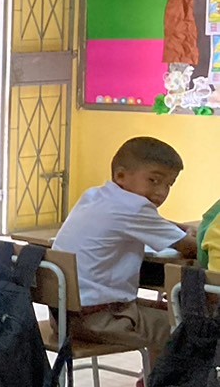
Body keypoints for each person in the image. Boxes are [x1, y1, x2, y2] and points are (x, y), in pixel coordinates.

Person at [52, 137, 198, 372]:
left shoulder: (94, 196)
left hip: (63, 318)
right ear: (120, 176)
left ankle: (153, 380)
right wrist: (191, 234)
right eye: (154, 180)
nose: (161, 192)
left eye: (169, 185)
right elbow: (191, 248)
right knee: (188, 325)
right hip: (100, 320)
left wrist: (180, 229)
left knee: (168, 312)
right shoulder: (135, 208)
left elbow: (155, 223)